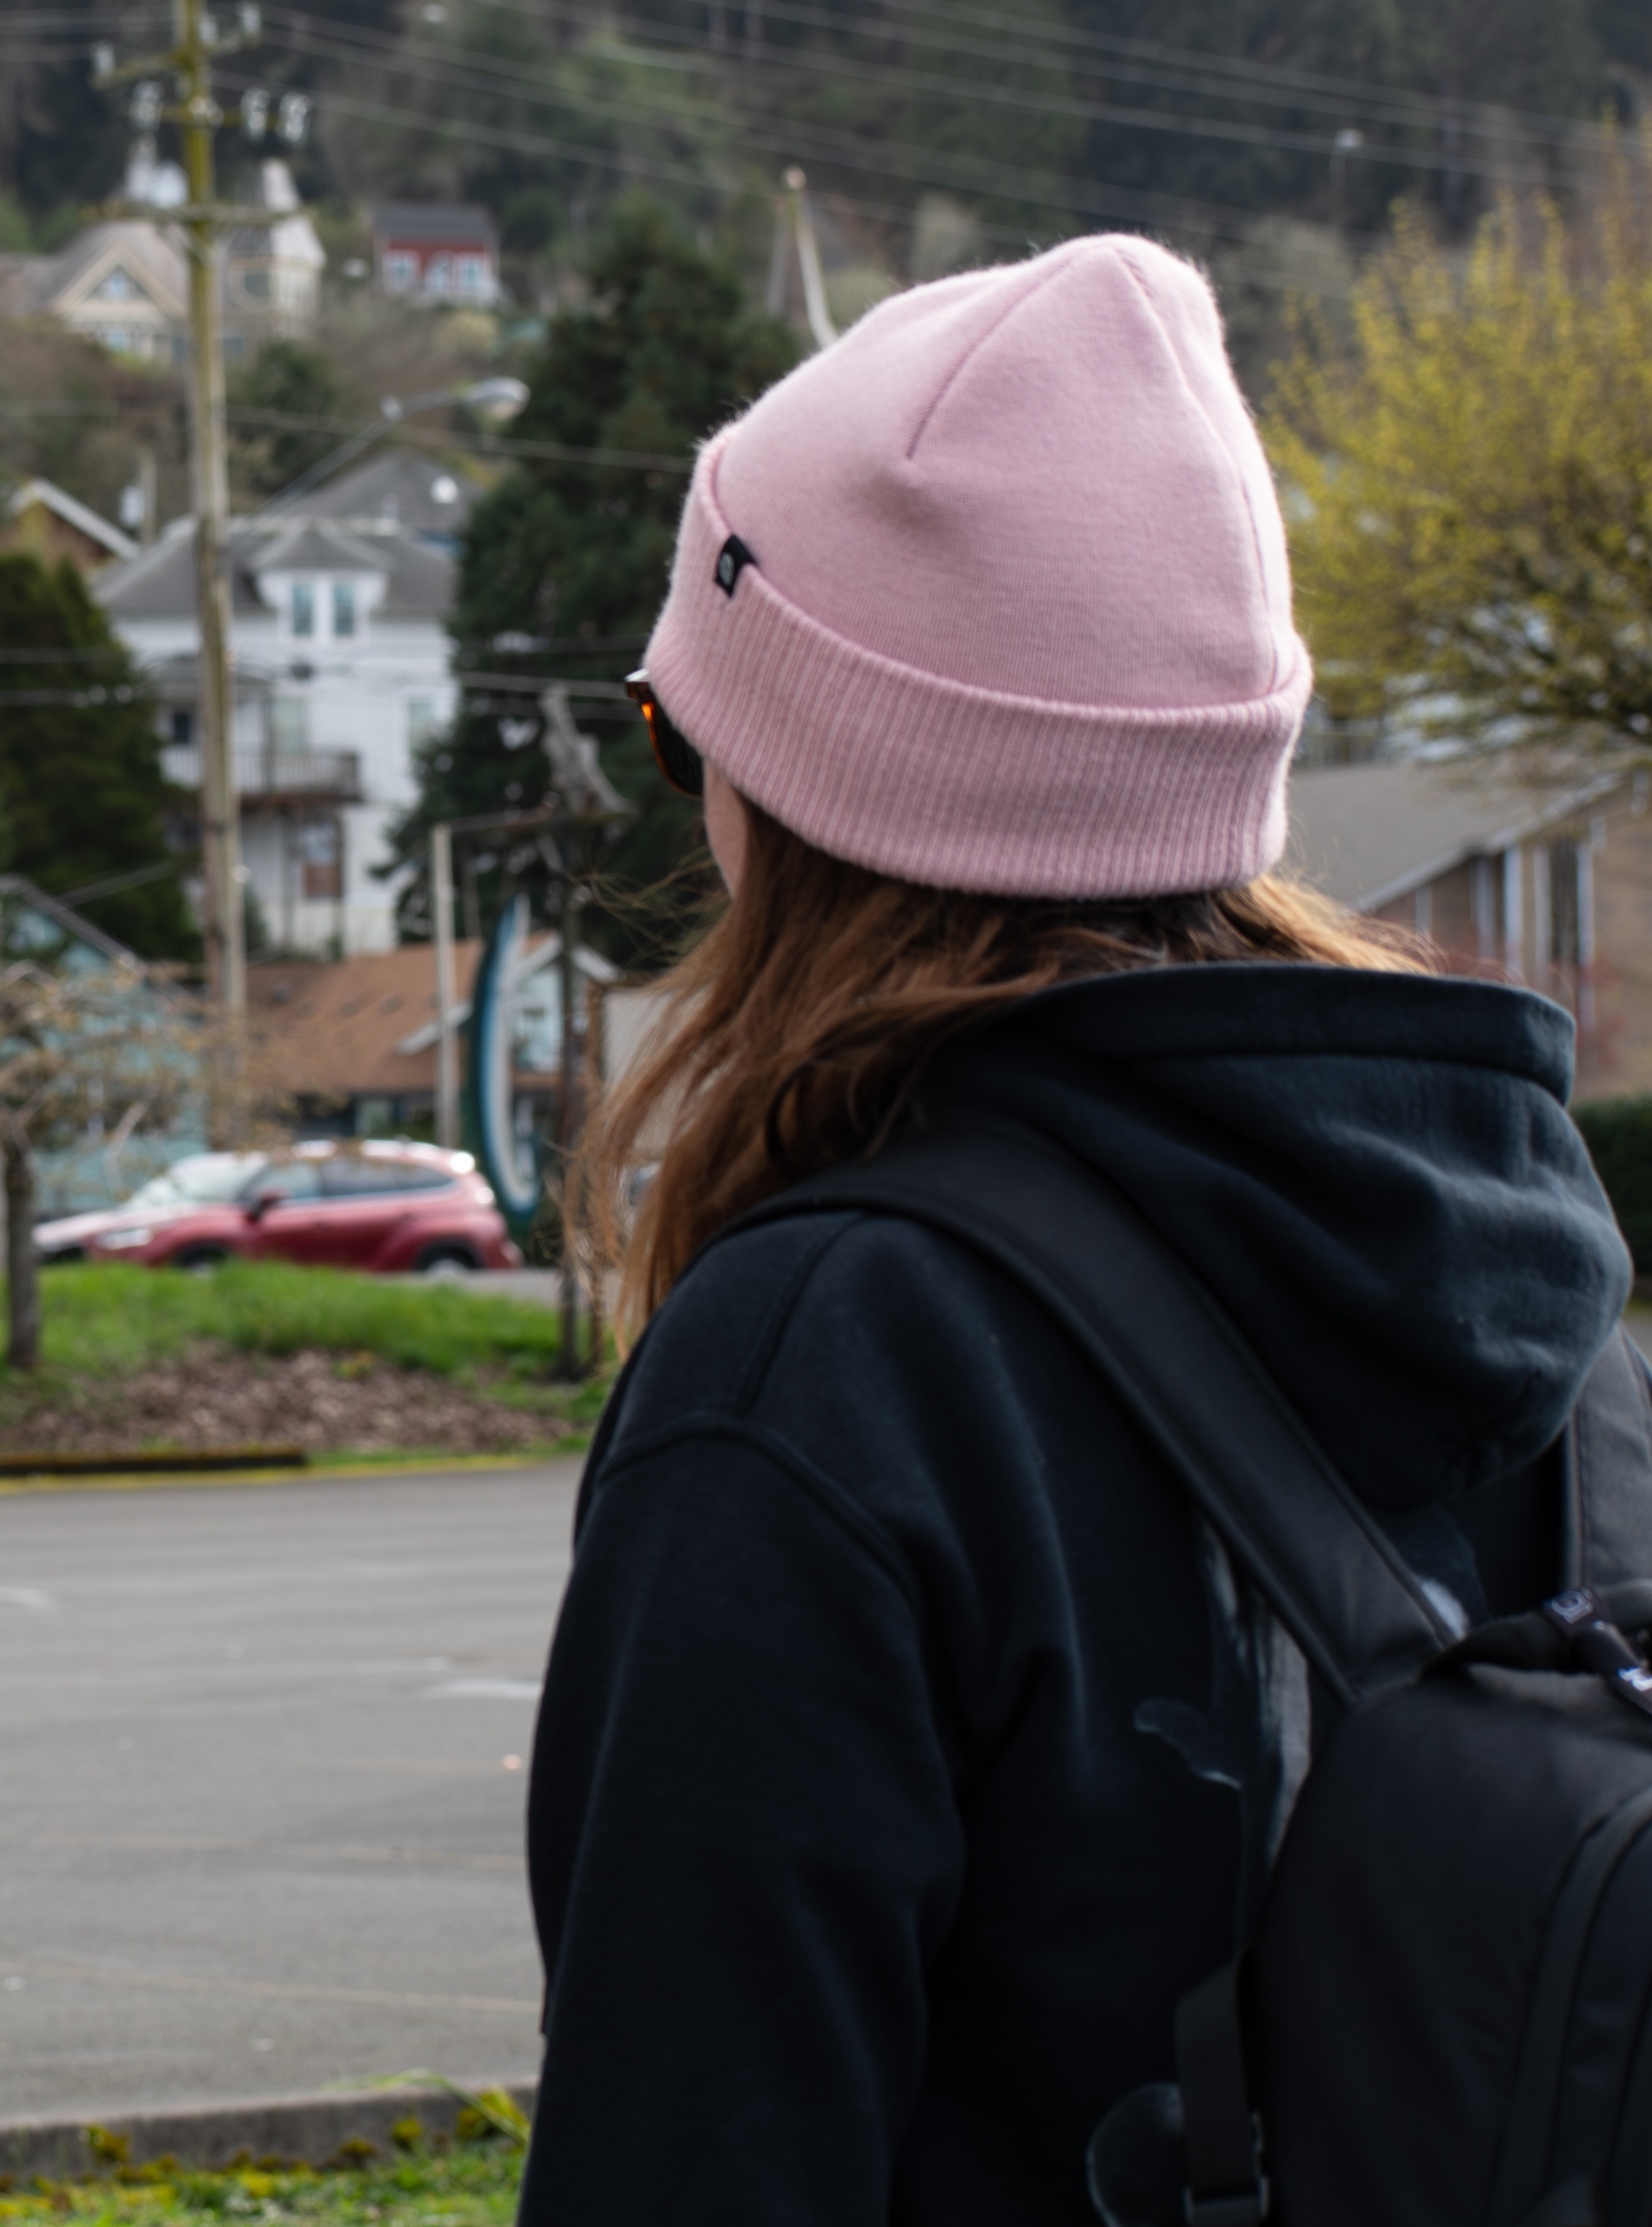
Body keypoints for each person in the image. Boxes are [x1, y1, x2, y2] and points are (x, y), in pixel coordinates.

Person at [518, 233, 1635, 2222]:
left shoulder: (827, 1367)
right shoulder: (1553, 1300)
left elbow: (691, 2141)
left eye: (690, 732)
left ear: (809, 784)